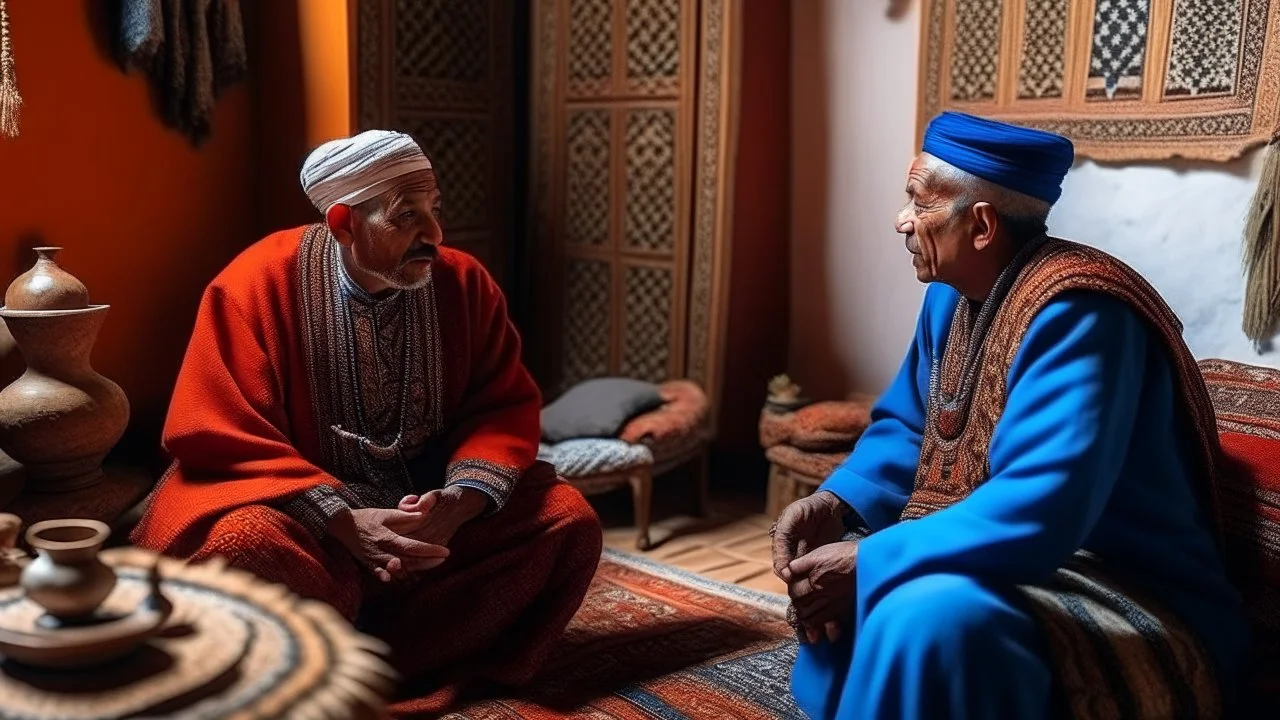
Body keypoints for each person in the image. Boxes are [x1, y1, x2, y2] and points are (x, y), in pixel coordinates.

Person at [772, 112, 1247, 719]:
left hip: (1115, 577)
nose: (902, 221)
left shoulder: (1081, 315)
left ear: (981, 225)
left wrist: (870, 559)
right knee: (863, 596)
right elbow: (908, 426)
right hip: (1011, 550)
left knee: (924, 618)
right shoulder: (948, 294)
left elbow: (1041, 505)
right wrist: (838, 505)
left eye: (918, 203)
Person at [131, 129, 604, 712]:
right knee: (241, 544)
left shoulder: (465, 283)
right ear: (342, 222)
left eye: (435, 210)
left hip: (423, 518)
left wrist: (458, 503)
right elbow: (219, 428)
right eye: (407, 217)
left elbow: (502, 406)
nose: (433, 234)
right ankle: (322, 665)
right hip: (303, 520)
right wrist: (342, 520)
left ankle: (380, 667)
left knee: (567, 522)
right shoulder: (253, 285)